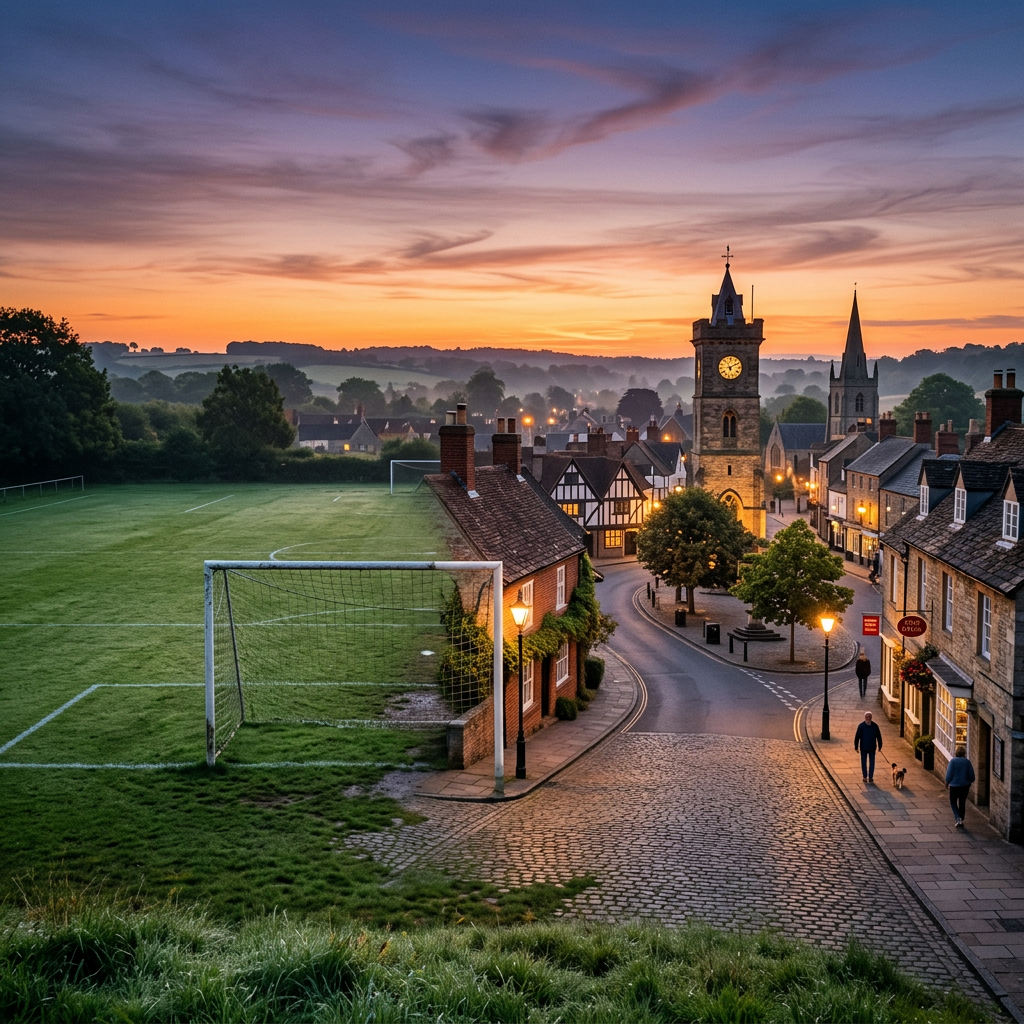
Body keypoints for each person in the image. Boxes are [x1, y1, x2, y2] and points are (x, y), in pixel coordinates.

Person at [945, 745, 976, 829]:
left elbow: (949, 774)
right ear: (964, 753)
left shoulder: (953, 761)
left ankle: (958, 818)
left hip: (954, 786)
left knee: (953, 802)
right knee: (962, 802)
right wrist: (969, 781)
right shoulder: (967, 762)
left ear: (956, 753)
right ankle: (961, 819)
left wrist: (947, 782)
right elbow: (972, 776)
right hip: (965, 786)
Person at [853, 711, 883, 782]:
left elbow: (879, 736)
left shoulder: (875, 726)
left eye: (869, 717)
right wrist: (856, 747)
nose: (868, 718)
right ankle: (864, 776)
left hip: (872, 747)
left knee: (872, 762)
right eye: (867, 717)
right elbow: (857, 737)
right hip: (863, 747)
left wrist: (880, 746)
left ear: (871, 717)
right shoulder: (861, 726)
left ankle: (870, 777)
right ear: (865, 717)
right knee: (863, 762)